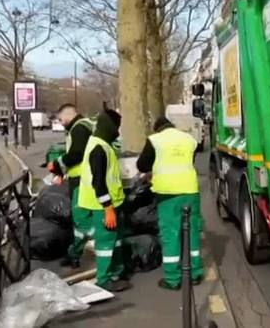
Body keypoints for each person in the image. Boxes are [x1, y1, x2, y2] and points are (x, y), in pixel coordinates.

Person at [137, 116, 203, 290]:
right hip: (190, 191)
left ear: (157, 129)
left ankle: (173, 279)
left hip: (168, 194)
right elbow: (189, 161)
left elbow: (142, 165)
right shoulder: (189, 139)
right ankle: (195, 273)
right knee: (192, 232)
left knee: (171, 234)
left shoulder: (155, 140)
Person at [78, 109, 131, 292]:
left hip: (111, 203)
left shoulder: (102, 145)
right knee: (105, 244)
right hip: (102, 206)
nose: (118, 130)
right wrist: (108, 207)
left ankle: (116, 272)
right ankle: (104, 279)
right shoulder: (99, 148)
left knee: (113, 241)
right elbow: (98, 182)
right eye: (117, 126)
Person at [47, 104, 94, 268]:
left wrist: (57, 165)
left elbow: (76, 154)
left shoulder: (78, 129)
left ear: (67, 115)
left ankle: (99, 240)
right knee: (82, 218)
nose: (60, 123)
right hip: (86, 177)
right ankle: (76, 252)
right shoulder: (85, 125)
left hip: (82, 179)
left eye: (60, 119)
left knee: (80, 218)